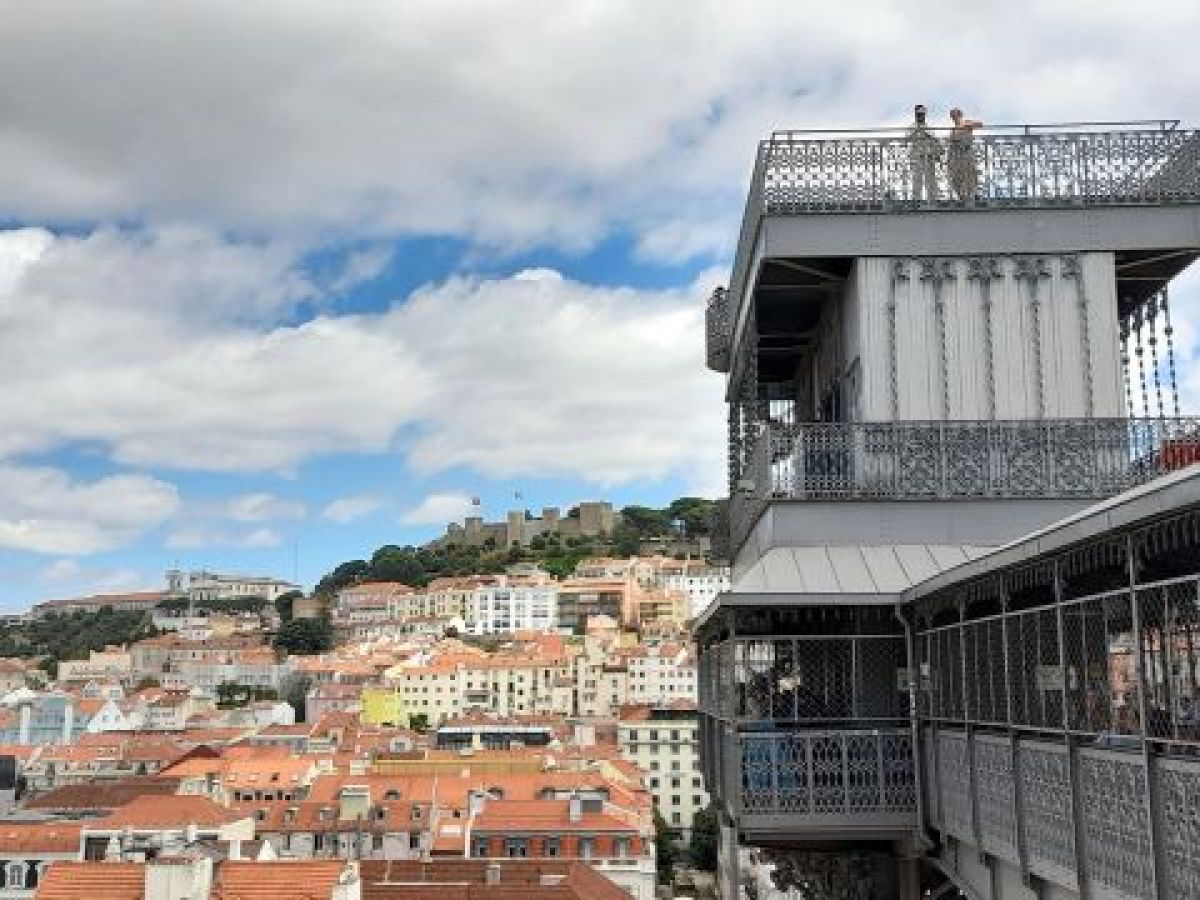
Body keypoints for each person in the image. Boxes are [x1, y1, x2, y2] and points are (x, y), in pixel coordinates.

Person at [906, 104, 942, 202]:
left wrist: (938, 153)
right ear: (915, 114)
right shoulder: (912, 127)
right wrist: (917, 130)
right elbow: (906, 139)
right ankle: (916, 201)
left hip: (929, 156)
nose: (921, 116)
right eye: (919, 114)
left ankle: (933, 200)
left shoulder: (929, 127)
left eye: (922, 114)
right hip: (917, 157)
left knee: (931, 180)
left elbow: (935, 141)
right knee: (917, 179)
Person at [948, 107, 984, 201]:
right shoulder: (953, 129)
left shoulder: (966, 122)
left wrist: (967, 125)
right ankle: (962, 195)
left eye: (955, 115)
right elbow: (952, 142)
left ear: (960, 115)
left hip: (966, 152)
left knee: (970, 173)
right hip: (956, 154)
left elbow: (980, 124)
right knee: (957, 175)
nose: (954, 117)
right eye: (952, 116)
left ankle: (973, 194)